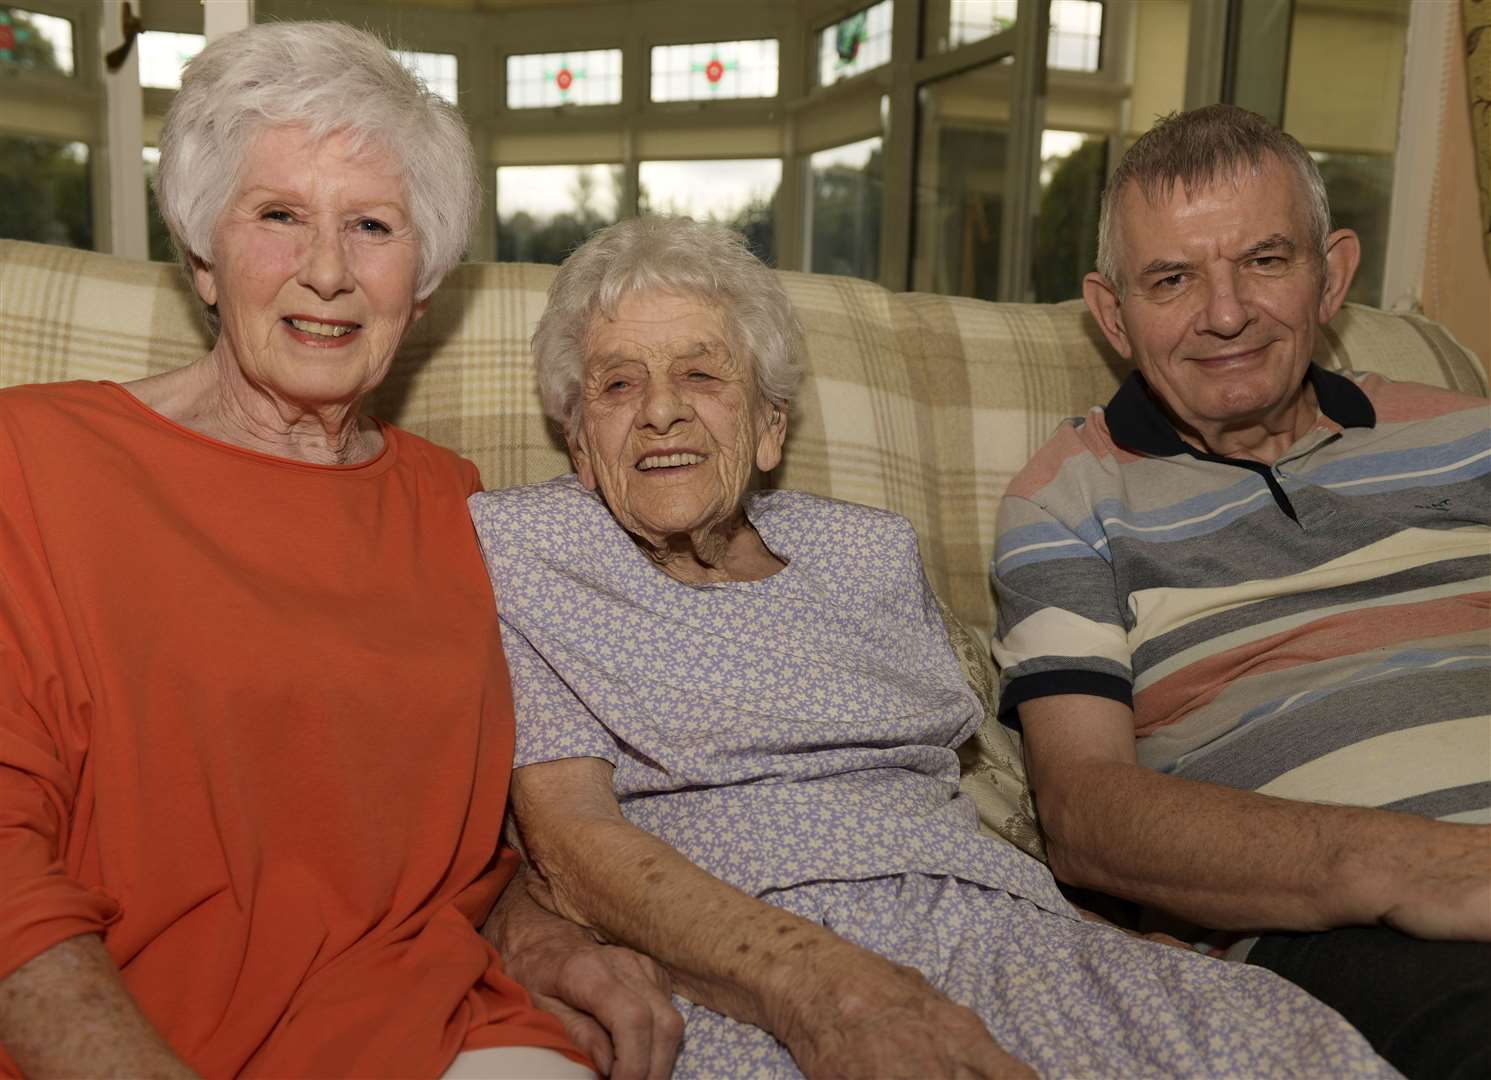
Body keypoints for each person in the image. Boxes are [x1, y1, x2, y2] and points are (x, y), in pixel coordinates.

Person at [469, 214, 1397, 1079]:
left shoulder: (869, 550)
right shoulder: (524, 551)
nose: (661, 412)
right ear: (579, 443)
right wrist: (832, 990)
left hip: (994, 926)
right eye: (618, 382)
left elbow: (952, 795)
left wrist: (1092, 937)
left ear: (768, 428)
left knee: (1279, 1042)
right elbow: (573, 845)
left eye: (703, 375)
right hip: (729, 961)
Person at [0, 21, 601, 1078]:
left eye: (371, 225)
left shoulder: (456, 505)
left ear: (420, 284)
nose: (326, 271)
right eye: (278, 215)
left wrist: (545, 935)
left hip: (441, 1028)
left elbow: (476, 849)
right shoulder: (36, 460)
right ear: (202, 258)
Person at [991, 103, 1491, 1079]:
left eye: (1264, 261)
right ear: (1112, 313)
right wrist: (1420, 867)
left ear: (1332, 273)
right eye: (1173, 279)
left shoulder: (1473, 438)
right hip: (1347, 933)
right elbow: (1086, 814)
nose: (1224, 314)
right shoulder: (1068, 498)